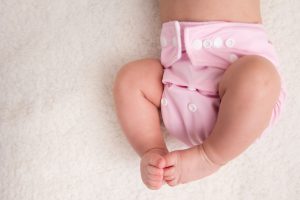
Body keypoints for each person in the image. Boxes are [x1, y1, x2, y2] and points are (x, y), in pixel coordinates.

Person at [113, 0, 286, 190]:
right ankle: (153, 150)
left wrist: (209, 155)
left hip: (243, 91)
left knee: (259, 76)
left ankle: (210, 157)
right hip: (177, 83)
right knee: (130, 78)